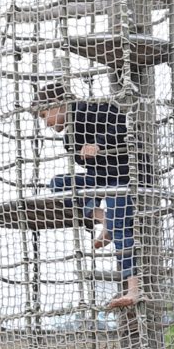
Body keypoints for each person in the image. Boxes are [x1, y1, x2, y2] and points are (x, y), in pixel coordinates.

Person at [32, 80, 141, 312]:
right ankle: (103, 218)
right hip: (102, 177)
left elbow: (124, 126)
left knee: (122, 225)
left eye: (45, 115)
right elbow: (84, 162)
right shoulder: (69, 139)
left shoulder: (92, 109)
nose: (46, 123)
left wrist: (98, 144)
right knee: (58, 184)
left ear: (58, 105)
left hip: (125, 175)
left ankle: (133, 288)